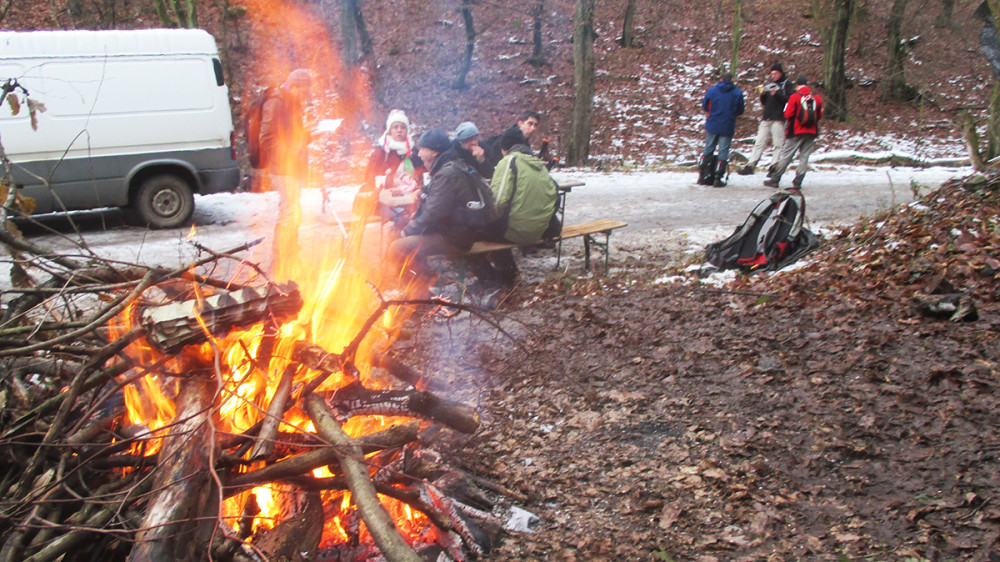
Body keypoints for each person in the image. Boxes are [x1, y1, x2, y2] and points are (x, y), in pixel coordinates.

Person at [387, 129, 501, 291]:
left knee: (397, 248)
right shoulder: (452, 166)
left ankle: (419, 295)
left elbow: (433, 214)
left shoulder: (447, 174)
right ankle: (424, 282)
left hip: (454, 238)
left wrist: (408, 231)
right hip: (461, 230)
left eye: (422, 149)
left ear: (434, 152)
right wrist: (422, 193)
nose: (418, 154)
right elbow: (438, 200)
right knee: (400, 227)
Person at [480, 127, 561, 286]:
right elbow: (554, 197)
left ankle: (507, 277)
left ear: (504, 149)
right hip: (540, 231)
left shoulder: (508, 162)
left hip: (519, 233)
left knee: (483, 232)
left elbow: (498, 202)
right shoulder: (538, 164)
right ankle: (509, 273)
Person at [259, 68, 312, 275]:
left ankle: (291, 257)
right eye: (304, 91)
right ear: (295, 85)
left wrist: (308, 136)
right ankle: (279, 263)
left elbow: (292, 135)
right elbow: (267, 137)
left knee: (293, 213)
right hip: (283, 168)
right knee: (289, 214)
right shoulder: (276, 102)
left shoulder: (291, 102)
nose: (305, 95)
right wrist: (284, 158)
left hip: (293, 167)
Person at [358, 109, 425, 228]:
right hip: (386, 199)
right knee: (402, 219)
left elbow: (422, 172)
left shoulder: (413, 151)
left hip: (411, 195)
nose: (399, 130)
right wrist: (388, 182)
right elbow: (369, 176)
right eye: (395, 127)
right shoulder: (382, 151)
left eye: (402, 127)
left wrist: (415, 181)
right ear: (390, 130)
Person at [764, 75, 823, 189]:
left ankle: (775, 178)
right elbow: (819, 115)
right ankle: (798, 180)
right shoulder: (816, 97)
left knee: (787, 155)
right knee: (804, 156)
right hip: (811, 131)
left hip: (795, 131)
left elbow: (788, 114)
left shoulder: (795, 97)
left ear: (797, 85)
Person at [737, 63, 795, 176]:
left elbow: (788, 100)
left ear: (780, 73)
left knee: (777, 143)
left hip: (779, 118)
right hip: (766, 116)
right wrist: (762, 95)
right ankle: (751, 165)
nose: (773, 76)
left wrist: (776, 94)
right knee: (759, 142)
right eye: (772, 74)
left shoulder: (787, 84)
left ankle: (774, 166)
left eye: (776, 73)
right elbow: (765, 102)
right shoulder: (769, 84)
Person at [698, 72, 745, 187]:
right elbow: (740, 110)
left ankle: (702, 175)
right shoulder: (737, 93)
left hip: (713, 123)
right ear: (732, 79)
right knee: (723, 152)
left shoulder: (712, 90)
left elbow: (705, 105)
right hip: (727, 125)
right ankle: (717, 178)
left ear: (721, 79)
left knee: (708, 149)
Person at [481, 110, 544, 175]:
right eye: (530, 124)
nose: (533, 128)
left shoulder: (524, 141)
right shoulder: (511, 138)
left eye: (535, 125)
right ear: (520, 123)